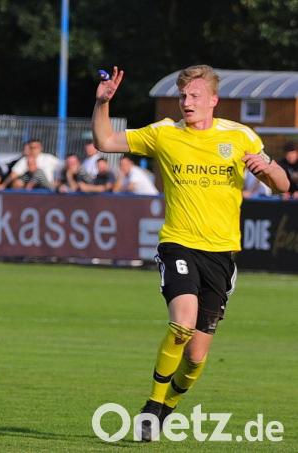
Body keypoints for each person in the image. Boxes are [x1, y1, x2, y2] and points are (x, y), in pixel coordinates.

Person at [92, 65, 288, 442]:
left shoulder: (240, 135)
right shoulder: (164, 133)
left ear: (213, 100)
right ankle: (151, 406)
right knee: (181, 322)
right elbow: (105, 141)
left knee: (196, 358)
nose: (187, 102)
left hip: (221, 255)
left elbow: (282, 185)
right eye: (183, 96)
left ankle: (167, 410)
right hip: (178, 243)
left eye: (195, 96)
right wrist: (102, 103)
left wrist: (266, 169)